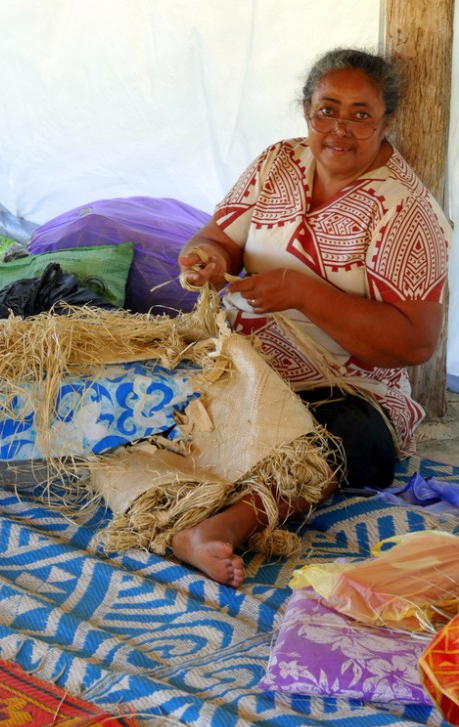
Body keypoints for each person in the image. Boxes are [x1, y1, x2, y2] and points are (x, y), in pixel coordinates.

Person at [173, 47, 452, 587]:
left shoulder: (406, 212)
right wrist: (207, 257)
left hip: (342, 391)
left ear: (386, 120)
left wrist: (305, 294)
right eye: (328, 109)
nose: (340, 129)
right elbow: (219, 237)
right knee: (159, 392)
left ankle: (219, 528)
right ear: (306, 110)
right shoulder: (279, 162)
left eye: (360, 114)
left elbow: (415, 344)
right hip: (240, 366)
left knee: (347, 439)